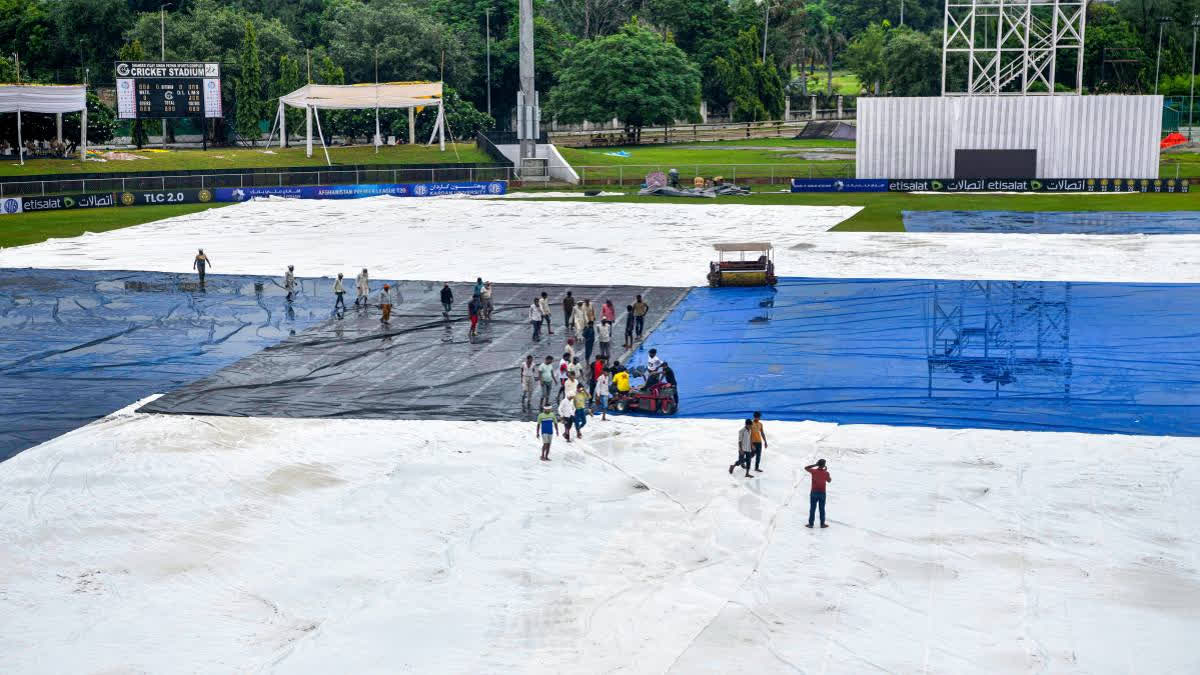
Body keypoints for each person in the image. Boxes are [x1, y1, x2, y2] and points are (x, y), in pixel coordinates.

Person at [805, 459, 832, 528]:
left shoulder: (814, 471)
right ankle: (822, 524)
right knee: (822, 509)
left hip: (814, 492)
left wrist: (815, 465)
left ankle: (811, 524)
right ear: (824, 465)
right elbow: (829, 481)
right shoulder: (826, 473)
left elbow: (806, 468)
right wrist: (825, 471)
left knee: (812, 508)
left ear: (818, 464)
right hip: (822, 493)